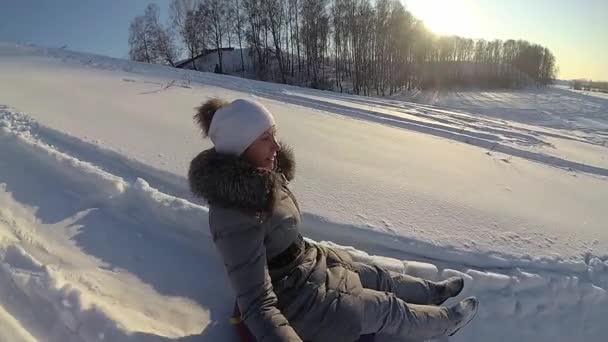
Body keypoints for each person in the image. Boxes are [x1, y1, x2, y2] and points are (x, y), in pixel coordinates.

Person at [188, 98, 478, 342]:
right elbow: (256, 303)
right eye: (265, 138)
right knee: (385, 308)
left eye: (274, 134)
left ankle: (434, 293)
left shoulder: (262, 175)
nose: (276, 145)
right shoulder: (233, 216)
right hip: (296, 299)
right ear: (240, 147)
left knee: (378, 276)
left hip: (310, 263)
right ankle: (445, 324)